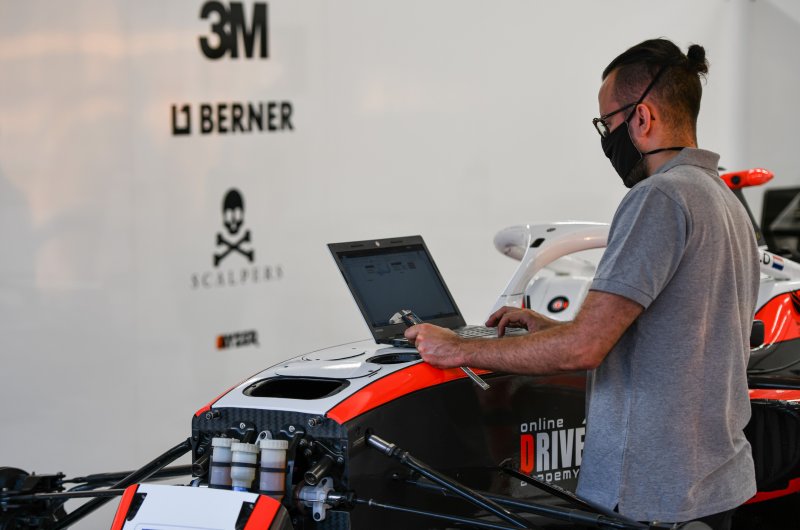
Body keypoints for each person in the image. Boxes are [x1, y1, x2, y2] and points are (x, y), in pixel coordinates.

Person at [405, 38, 759, 529]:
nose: (607, 138)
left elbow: (584, 349)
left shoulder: (658, 198)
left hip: (654, 496)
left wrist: (456, 348)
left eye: (606, 124)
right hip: (712, 483)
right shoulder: (721, 198)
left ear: (642, 117)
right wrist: (549, 327)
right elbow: (669, 339)